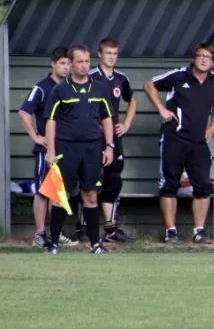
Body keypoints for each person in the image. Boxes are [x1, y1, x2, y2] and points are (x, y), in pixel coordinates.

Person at [144, 43, 214, 244]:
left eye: (208, 57)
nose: (204, 59)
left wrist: (213, 125)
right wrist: (161, 108)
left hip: (198, 142)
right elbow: (149, 85)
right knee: (169, 185)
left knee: (203, 186)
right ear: (194, 58)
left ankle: (199, 231)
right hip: (173, 138)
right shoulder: (179, 76)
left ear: (213, 61)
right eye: (200, 56)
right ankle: (171, 232)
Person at [43, 44, 115, 254]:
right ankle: (53, 244)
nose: (84, 66)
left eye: (87, 62)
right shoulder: (60, 90)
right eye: (79, 62)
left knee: (91, 194)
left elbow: (107, 118)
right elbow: (51, 121)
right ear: (71, 63)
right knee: (61, 194)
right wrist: (50, 150)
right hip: (66, 148)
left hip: (92, 148)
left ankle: (95, 245)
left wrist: (109, 146)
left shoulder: (100, 88)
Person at [74, 38, 137, 243]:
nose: (112, 57)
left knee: (113, 179)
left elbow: (132, 99)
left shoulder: (121, 78)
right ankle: (83, 228)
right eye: (108, 53)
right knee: (88, 179)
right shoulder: (90, 76)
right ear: (99, 54)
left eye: (115, 54)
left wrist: (126, 124)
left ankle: (110, 230)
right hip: (92, 136)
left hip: (114, 137)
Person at [18, 47, 78, 247]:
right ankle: (40, 234)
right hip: (46, 150)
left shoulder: (72, 87)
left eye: (69, 64)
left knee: (60, 191)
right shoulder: (42, 87)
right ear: (53, 64)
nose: (66, 67)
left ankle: (56, 233)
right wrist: (35, 135)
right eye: (62, 63)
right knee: (43, 191)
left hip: (67, 148)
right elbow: (24, 112)